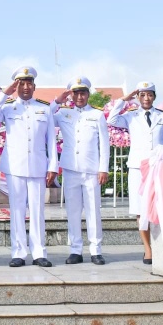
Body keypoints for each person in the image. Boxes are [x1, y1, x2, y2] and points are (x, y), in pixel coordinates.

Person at [0, 67, 58, 268]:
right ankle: (18, 252)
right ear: (16, 86)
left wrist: (53, 165)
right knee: (17, 210)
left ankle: (39, 252)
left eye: (29, 83)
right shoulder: (8, 108)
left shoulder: (44, 109)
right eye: (21, 84)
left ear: (34, 86)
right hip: (15, 167)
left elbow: (51, 140)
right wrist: (4, 94)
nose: (25, 87)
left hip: (37, 166)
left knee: (37, 211)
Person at [107, 81, 163, 265]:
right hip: (137, 167)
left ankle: (161, 246)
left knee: (160, 206)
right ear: (137, 97)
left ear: (154, 96)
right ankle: (147, 249)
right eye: (142, 95)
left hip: (158, 166)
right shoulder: (131, 116)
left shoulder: (162, 116)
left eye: (149, 94)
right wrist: (124, 99)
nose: (146, 98)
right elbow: (111, 120)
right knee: (140, 208)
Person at [51, 77, 110, 265]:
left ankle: (96, 250)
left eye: (82, 93)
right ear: (71, 95)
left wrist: (103, 168)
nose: (79, 97)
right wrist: (57, 101)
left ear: (88, 94)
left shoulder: (97, 115)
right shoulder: (63, 113)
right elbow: (45, 116)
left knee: (93, 211)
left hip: (91, 170)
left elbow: (105, 144)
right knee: (73, 211)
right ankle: (75, 249)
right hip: (70, 169)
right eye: (75, 93)